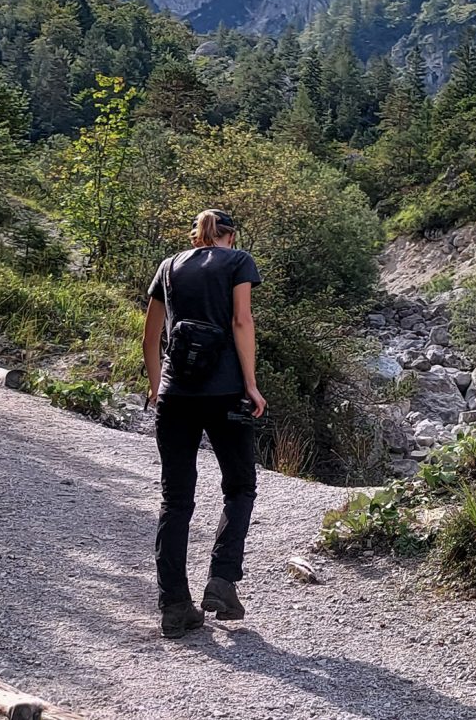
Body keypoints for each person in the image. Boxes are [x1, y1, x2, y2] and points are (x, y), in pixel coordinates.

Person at [143, 208, 267, 638]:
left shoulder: (169, 266)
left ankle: (174, 605)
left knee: (175, 500)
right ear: (230, 235)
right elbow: (241, 321)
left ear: (197, 235)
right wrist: (250, 385)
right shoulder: (238, 262)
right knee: (239, 486)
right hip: (226, 392)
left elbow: (151, 335)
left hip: (175, 396)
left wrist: (158, 388)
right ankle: (221, 580)